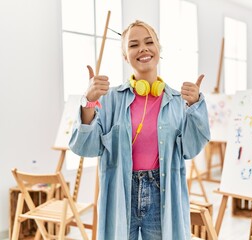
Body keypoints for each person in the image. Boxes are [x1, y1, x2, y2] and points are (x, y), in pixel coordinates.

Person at [69, 20, 210, 240]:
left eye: (149, 42)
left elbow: (190, 149)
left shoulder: (176, 101)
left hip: (162, 193)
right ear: (125, 56)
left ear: (158, 49)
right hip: (121, 191)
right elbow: (84, 146)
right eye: (133, 45)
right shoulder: (110, 99)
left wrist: (195, 106)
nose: (142, 48)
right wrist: (89, 102)